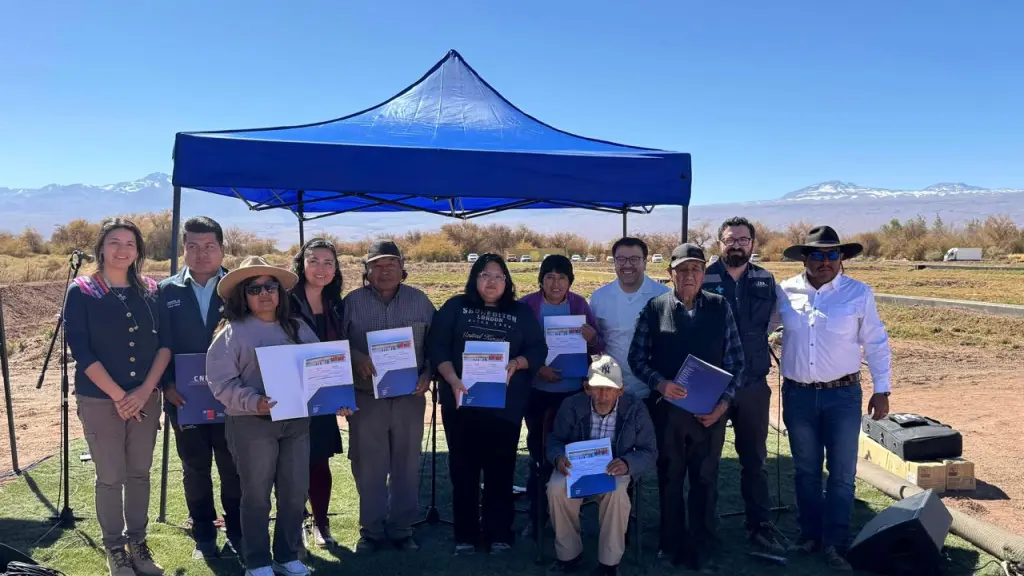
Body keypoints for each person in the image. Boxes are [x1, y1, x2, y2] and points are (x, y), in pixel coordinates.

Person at [775, 226, 892, 571]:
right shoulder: (785, 291)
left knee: (842, 473)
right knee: (806, 470)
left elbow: (876, 342)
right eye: (817, 255)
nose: (825, 262)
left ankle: (835, 543)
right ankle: (810, 534)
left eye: (831, 255)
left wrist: (881, 388)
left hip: (842, 395)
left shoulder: (859, 293)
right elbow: (759, 328)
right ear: (805, 258)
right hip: (797, 396)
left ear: (841, 259)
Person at [627, 243, 745, 571]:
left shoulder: (720, 308)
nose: (689, 275)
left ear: (704, 274)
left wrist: (722, 406)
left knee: (705, 478)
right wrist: (660, 383)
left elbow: (737, 361)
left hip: (709, 414)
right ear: (670, 274)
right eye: (682, 269)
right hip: (667, 413)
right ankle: (670, 540)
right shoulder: (655, 308)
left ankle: (703, 543)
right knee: (669, 477)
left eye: (695, 269)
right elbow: (636, 358)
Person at [64, 217, 170, 576]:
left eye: (130, 243)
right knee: (111, 476)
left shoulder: (152, 290)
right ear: (101, 246)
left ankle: (138, 544)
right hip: (98, 399)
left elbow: (165, 346)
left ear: (139, 250)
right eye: (114, 242)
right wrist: (119, 397)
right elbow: (82, 350)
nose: (122, 250)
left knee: (140, 473)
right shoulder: (82, 290)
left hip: (145, 398)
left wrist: (141, 393)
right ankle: (115, 549)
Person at [206, 256, 320, 576]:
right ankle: (257, 561)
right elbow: (220, 383)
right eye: (254, 288)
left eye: (270, 286)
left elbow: (320, 367)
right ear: (243, 295)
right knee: (256, 494)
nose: (264, 293)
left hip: (296, 422)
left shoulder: (298, 328)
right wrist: (254, 401)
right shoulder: (232, 333)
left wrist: (333, 396)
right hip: (251, 424)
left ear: (280, 292)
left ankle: (286, 555)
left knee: (294, 490)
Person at [429, 254, 548, 556]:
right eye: (484, 275)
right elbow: (437, 345)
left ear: (507, 282)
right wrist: (452, 378)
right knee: (463, 472)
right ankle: (466, 535)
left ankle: (499, 534)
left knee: (500, 472)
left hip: (504, 409)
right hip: (461, 404)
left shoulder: (520, 313)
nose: (491, 281)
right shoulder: (456, 307)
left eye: (498, 276)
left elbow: (538, 348)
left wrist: (519, 362)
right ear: (474, 278)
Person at [340, 240, 436, 553]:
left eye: (390, 264)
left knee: (407, 465)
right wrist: (356, 357)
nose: (384, 271)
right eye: (377, 266)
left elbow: (436, 347)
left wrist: (427, 374)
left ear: (402, 267)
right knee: (369, 466)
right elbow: (335, 343)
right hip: (367, 398)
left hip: (409, 398)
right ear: (366, 271)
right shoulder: (351, 303)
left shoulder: (420, 301)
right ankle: (371, 531)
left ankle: (402, 528)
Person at [159, 216, 243, 559]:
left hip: (232, 401)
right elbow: (159, 343)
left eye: (209, 246)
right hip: (185, 399)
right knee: (195, 469)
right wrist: (166, 385)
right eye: (192, 246)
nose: (201, 253)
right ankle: (204, 534)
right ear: (183, 250)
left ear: (222, 249)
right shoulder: (166, 291)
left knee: (233, 468)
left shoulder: (239, 289)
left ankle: (237, 531)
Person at [701, 217, 785, 554]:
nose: (736, 245)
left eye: (743, 240)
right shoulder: (703, 275)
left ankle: (759, 525)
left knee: (755, 459)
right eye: (730, 239)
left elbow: (778, 321)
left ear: (753, 243)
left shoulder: (766, 280)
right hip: (712, 382)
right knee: (706, 459)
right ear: (719, 243)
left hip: (752, 384)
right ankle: (705, 526)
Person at [545, 355, 657, 576]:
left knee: (616, 494)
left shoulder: (636, 409)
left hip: (615, 468)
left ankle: (608, 564)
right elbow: (555, 440)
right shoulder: (572, 405)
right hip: (575, 468)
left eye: (609, 389)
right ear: (587, 388)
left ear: (620, 390)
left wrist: (627, 463)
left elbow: (649, 451)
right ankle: (569, 556)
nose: (603, 395)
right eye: (597, 388)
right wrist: (558, 458)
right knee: (556, 488)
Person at [519, 254, 605, 536]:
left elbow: (597, 347)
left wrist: (592, 339)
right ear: (541, 279)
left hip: (573, 394)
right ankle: (538, 517)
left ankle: (570, 513)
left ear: (570, 281)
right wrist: (538, 369)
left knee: (573, 455)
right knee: (540, 454)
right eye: (550, 277)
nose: (556, 283)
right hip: (537, 393)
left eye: (562, 278)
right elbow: (516, 346)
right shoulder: (528, 305)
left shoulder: (579, 304)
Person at [288, 238, 349, 548]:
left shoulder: (337, 303)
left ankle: (321, 524)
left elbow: (342, 350)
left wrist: (342, 394)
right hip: (291, 392)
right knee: (289, 461)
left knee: (318, 460)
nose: (321, 268)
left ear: (336, 268)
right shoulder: (285, 300)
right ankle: (295, 520)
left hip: (323, 394)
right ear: (302, 264)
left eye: (328, 262)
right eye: (314, 261)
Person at [589, 238, 670, 401]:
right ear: (614, 262)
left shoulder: (664, 295)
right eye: (621, 259)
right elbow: (597, 344)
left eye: (634, 259)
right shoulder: (599, 297)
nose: (627, 265)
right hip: (614, 387)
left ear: (645, 262)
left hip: (654, 388)